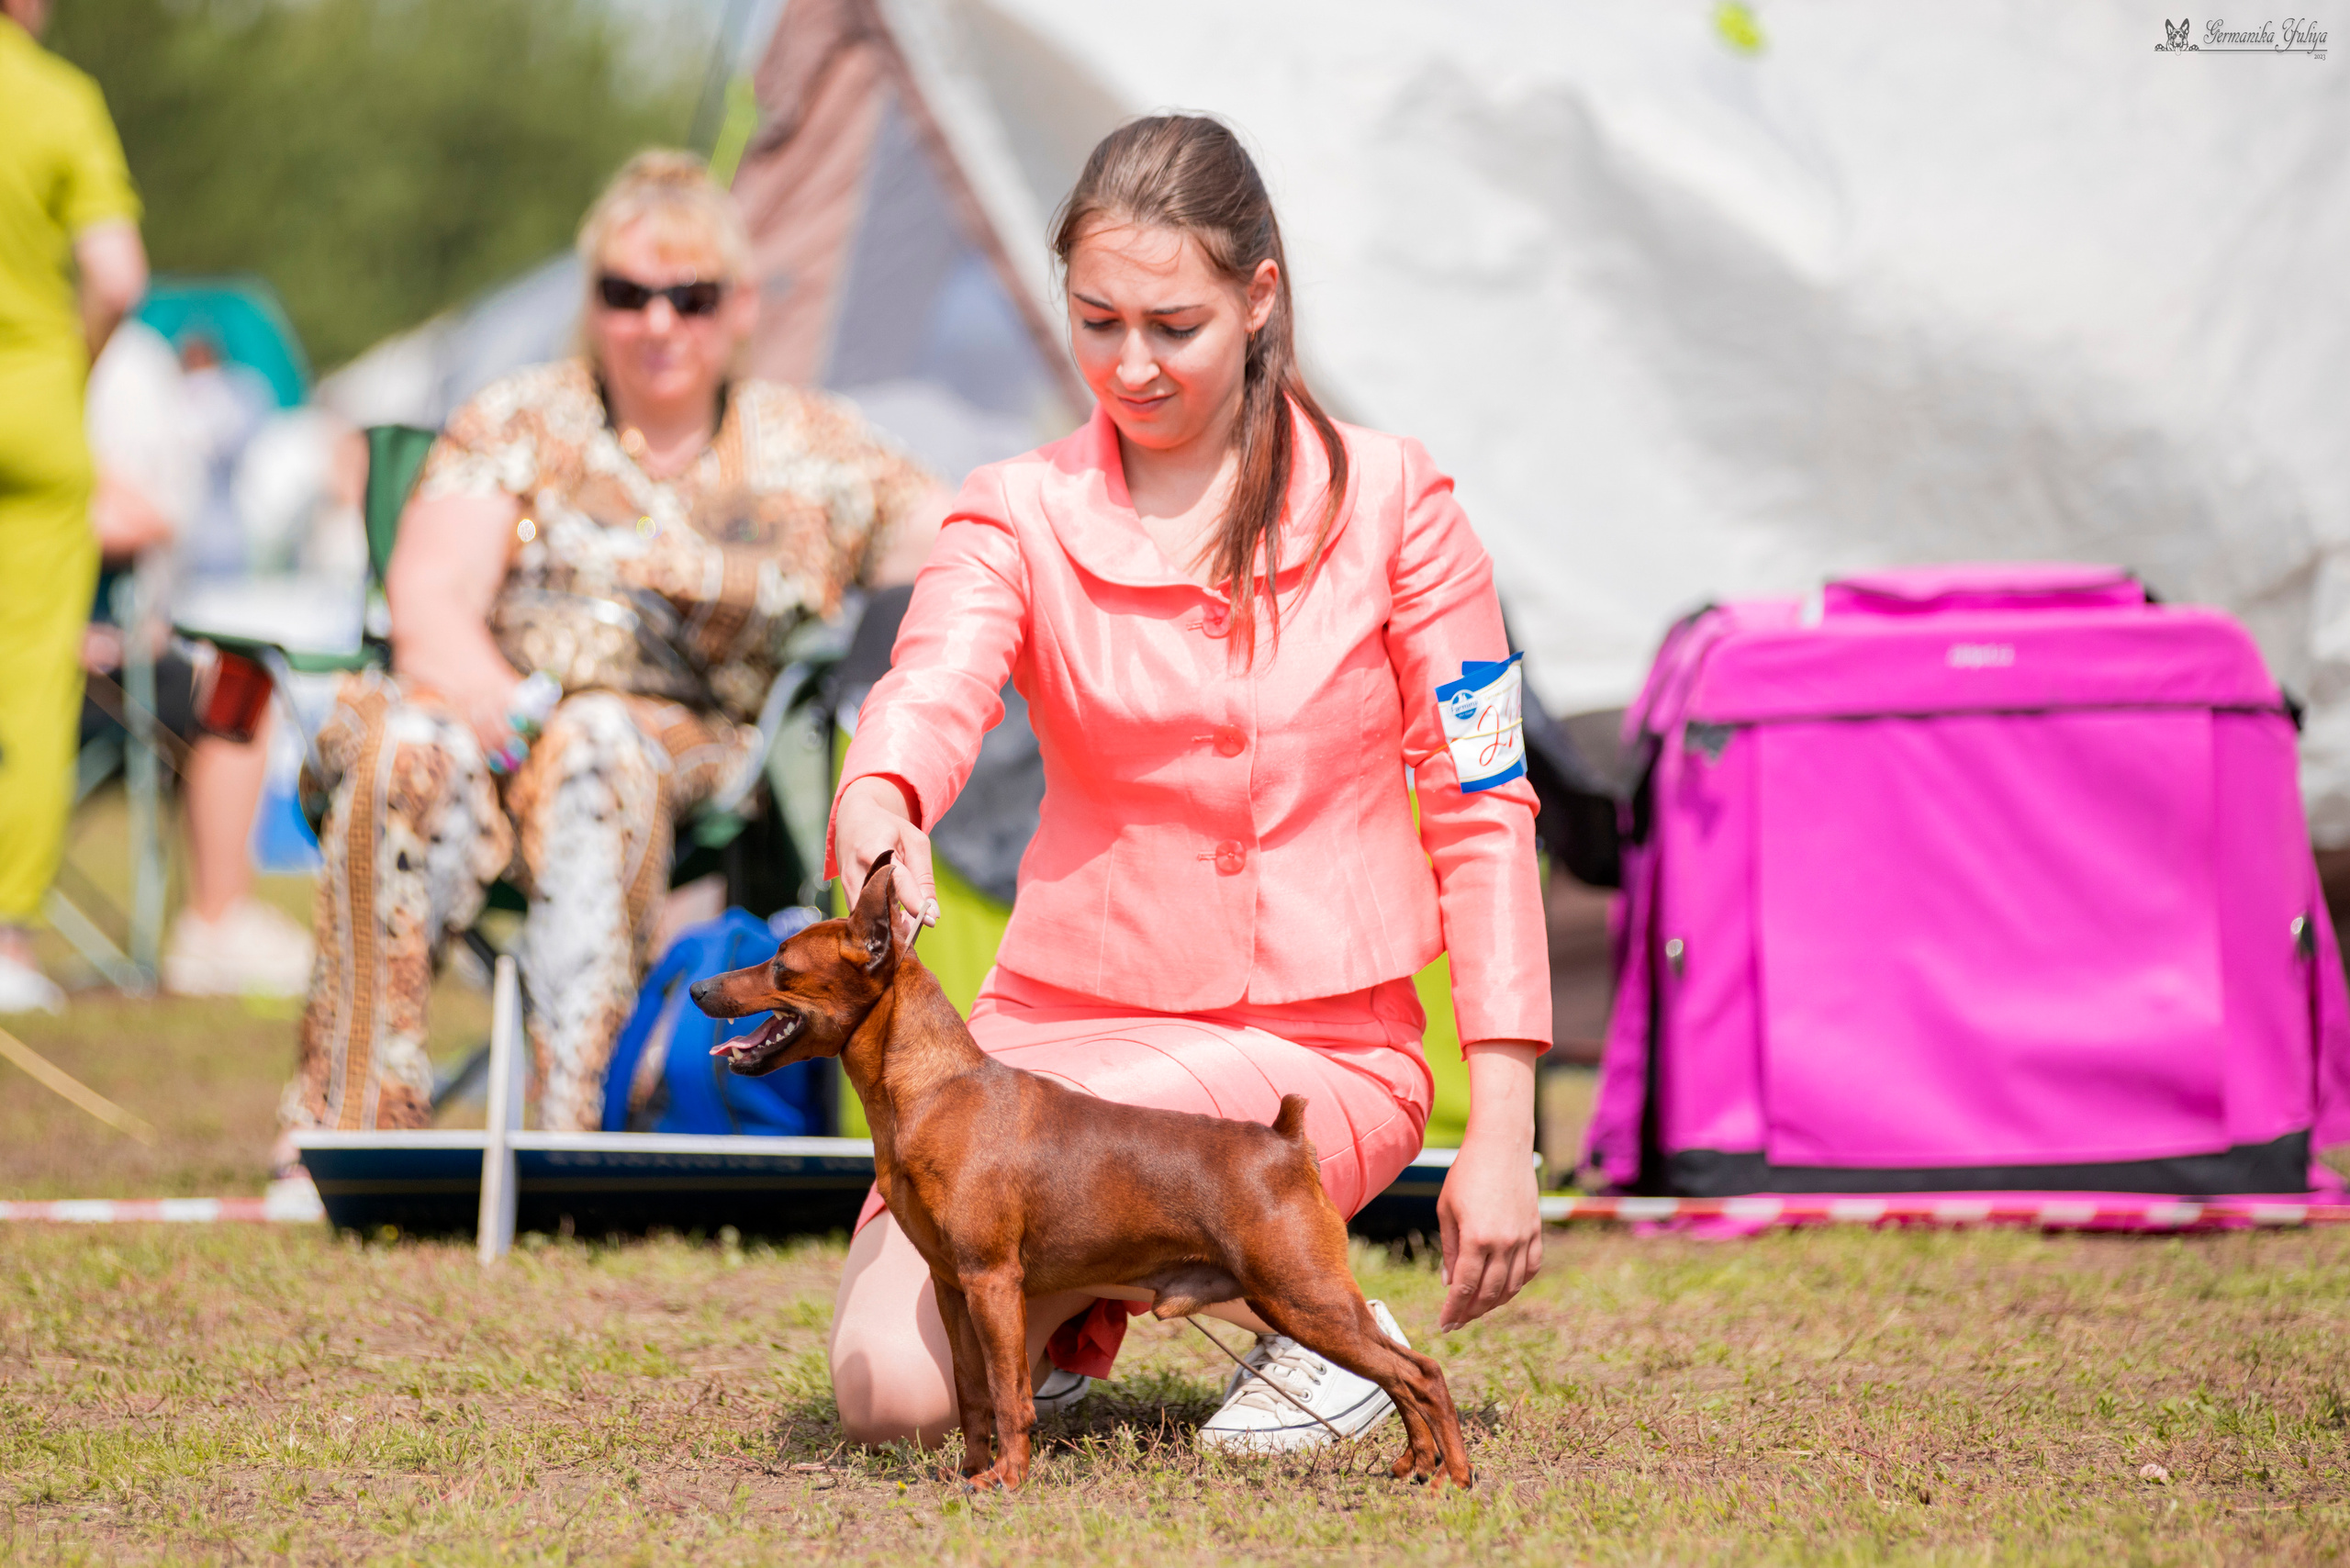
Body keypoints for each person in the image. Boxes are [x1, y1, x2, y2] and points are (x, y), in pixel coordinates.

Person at [825, 116, 1550, 1456]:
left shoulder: (1403, 503)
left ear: (1259, 296)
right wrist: (880, 798)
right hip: (1048, 1044)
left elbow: (1486, 804)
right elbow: (928, 688)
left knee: (964, 1330)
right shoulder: (1013, 508)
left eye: (1174, 325)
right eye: (1096, 322)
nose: (1131, 365)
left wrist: (1503, 1126)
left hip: (1319, 1049)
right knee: (891, 1398)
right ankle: (1084, 1306)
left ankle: (1319, 1323)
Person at [272, 151, 942, 1166]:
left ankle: (568, 1136)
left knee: (600, 746)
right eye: (627, 294)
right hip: (492, 708)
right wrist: (502, 712)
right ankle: (344, 1134)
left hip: (686, 740)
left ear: (740, 305)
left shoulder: (811, 446)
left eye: (691, 297)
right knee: (407, 742)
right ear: (593, 301)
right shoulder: (524, 417)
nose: (658, 322)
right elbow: (432, 597)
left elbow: (962, 536)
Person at [77, 318, 318, 998]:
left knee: (240, 679)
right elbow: (132, 517)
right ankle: (214, 924)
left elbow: (151, 516)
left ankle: (218, 920)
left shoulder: (120, 373)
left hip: (106, 661)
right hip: (37, 671)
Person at [0, 0, 149, 1013]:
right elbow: (117, 274)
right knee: (26, 678)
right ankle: (5, 937)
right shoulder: (56, 99)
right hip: (32, 408)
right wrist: (71, 358)